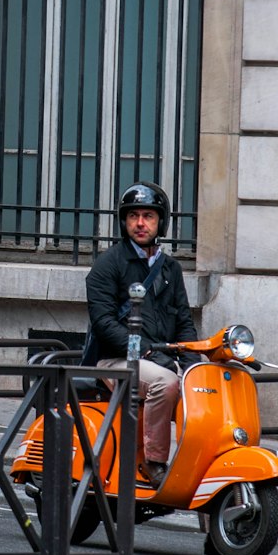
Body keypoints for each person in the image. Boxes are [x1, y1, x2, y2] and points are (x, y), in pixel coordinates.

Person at [85, 181, 197, 489]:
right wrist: (144, 350)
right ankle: (154, 462)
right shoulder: (108, 265)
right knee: (165, 382)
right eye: (133, 216)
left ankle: (197, 465)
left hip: (160, 357)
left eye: (148, 215)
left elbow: (184, 322)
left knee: (203, 384)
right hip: (114, 361)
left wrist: (194, 365)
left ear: (161, 221)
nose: (140, 223)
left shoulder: (169, 268)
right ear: (124, 221)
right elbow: (104, 323)